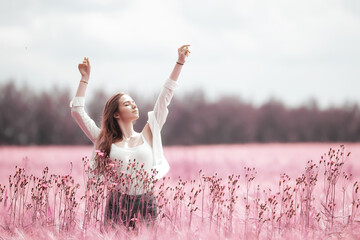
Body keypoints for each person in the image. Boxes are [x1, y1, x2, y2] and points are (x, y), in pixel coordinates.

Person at [70, 45, 190, 228]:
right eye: (127, 104)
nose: (134, 106)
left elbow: (165, 96)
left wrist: (180, 62)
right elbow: (77, 111)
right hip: (117, 204)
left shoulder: (148, 134)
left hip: (146, 203)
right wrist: (84, 80)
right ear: (116, 114)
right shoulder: (104, 139)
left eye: (134, 103)